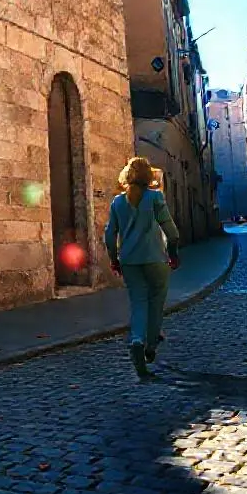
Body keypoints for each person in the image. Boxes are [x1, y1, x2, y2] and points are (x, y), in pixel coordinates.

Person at [104, 157, 181, 380]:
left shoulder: (118, 203)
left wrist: (114, 260)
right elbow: (172, 233)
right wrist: (173, 255)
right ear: (148, 176)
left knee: (138, 303)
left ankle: (137, 339)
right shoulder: (155, 198)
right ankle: (150, 347)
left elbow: (110, 236)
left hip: (130, 261)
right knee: (156, 303)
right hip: (156, 259)